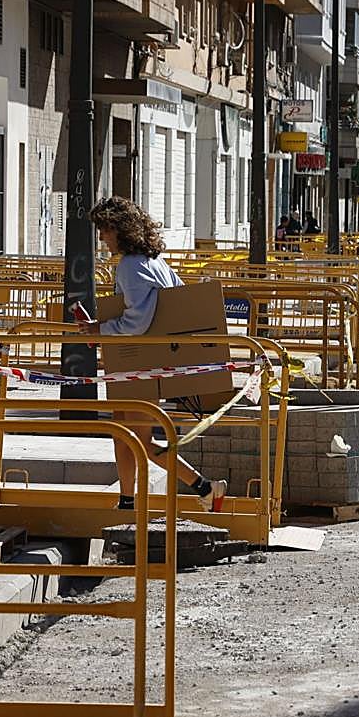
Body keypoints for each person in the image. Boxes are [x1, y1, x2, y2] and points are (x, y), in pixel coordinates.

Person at [78, 196, 227, 513]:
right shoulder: (153, 261)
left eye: (104, 230)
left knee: (139, 440)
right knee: (121, 432)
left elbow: (137, 321)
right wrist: (100, 328)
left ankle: (204, 487)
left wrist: (101, 331)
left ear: (119, 229)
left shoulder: (131, 266)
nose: (102, 238)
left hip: (142, 364)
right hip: (147, 363)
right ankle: (127, 501)